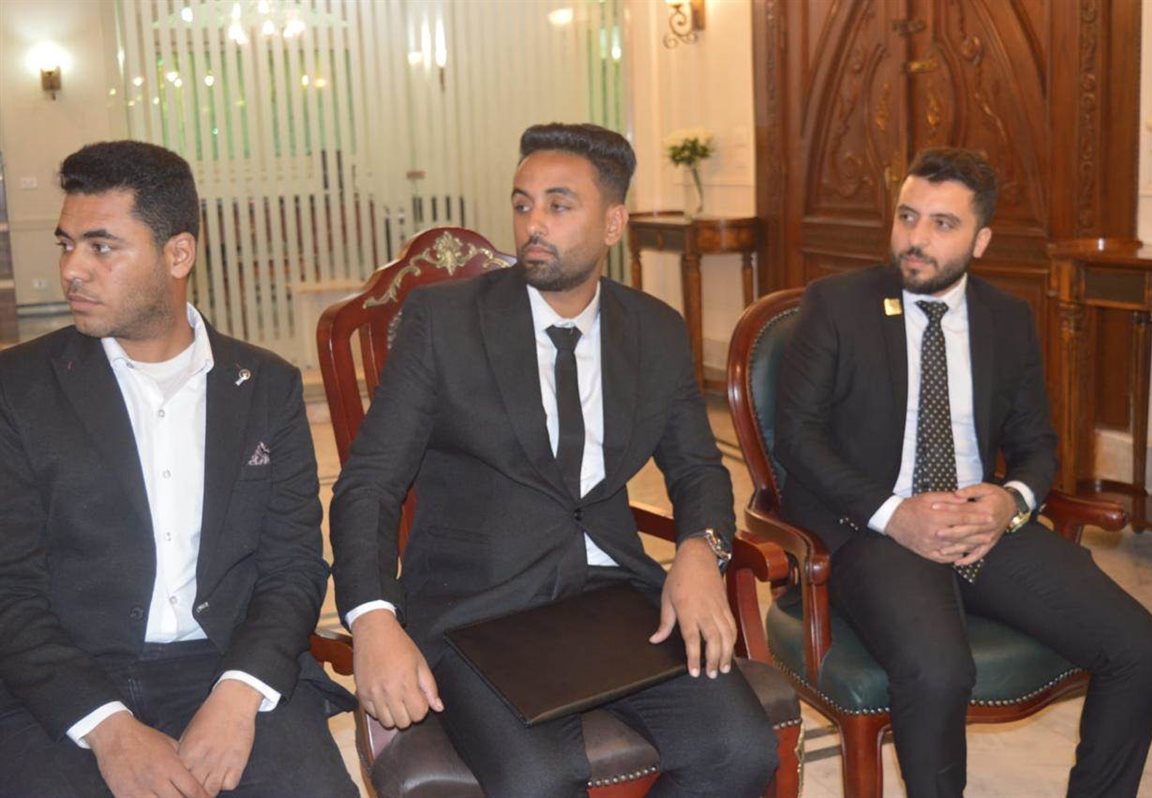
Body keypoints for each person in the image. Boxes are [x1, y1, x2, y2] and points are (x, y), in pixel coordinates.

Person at [329, 122, 777, 797]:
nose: (533, 223)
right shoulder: (444, 323)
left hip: (614, 598)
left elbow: (697, 469)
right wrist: (371, 618)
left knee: (739, 750)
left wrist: (699, 552)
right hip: (477, 611)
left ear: (613, 222)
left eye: (559, 205)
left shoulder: (654, 330)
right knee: (538, 780)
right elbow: (369, 483)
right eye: (522, 204)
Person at [774, 147, 1152, 798]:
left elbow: (1037, 444)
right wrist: (894, 514)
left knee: (1138, 647)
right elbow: (798, 437)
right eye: (907, 216)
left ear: (980, 240)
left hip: (982, 526)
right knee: (937, 670)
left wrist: (1010, 501)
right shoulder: (837, 304)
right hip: (876, 529)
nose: (916, 239)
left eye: (942, 224)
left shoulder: (1006, 318)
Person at [0, 140, 357, 798]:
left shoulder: (267, 386)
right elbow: (9, 588)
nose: (72, 269)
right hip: (70, 677)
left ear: (178, 254)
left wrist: (239, 694)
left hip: (228, 661)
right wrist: (108, 728)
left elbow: (292, 567)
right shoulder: (18, 389)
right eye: (66, 245)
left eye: (102, 247)